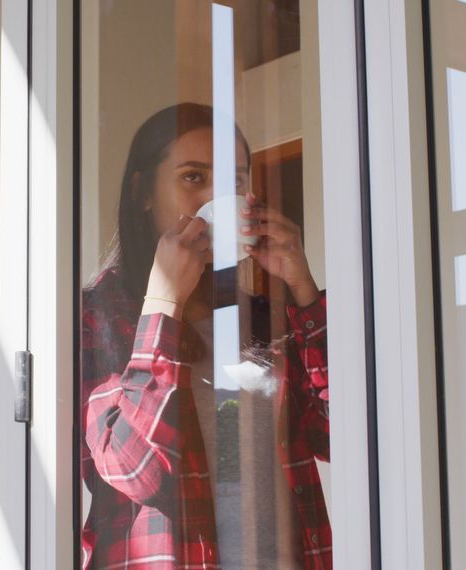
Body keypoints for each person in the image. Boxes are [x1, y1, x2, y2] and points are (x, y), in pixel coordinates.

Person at [80, 103, 331, 569]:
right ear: (143, 193)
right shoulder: (95, 318)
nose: (219, 198)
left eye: (236, 182)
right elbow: (135, 468)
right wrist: (163, 305)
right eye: (194, 178)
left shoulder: (263, 320)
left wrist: (302, 291)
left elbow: (341, 436)